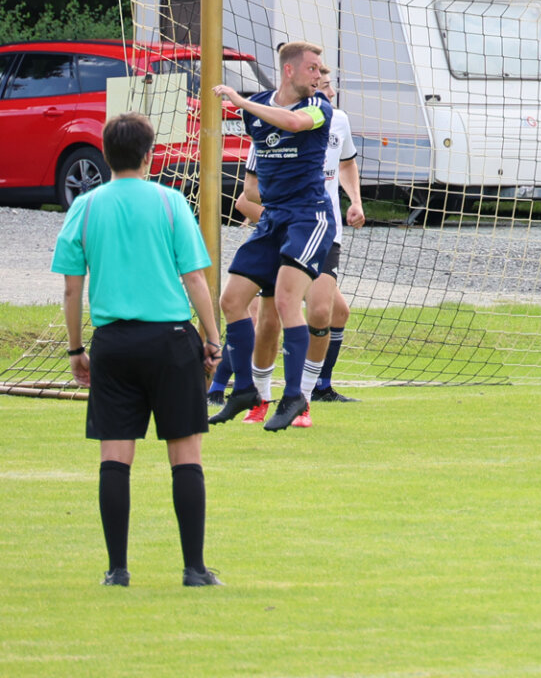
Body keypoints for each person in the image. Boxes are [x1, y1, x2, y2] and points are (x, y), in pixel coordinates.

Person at [50, 112, 223, 587]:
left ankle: (117, 570)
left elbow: (72, 289)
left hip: (114, 344)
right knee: (185, 455)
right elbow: (194, 279)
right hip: (170, 341)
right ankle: (194, 569)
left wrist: (75, 349)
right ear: (150, 155)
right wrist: (212, 338)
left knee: (115, 457)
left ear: (105, 156)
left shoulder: (84, 208)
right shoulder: (170, 203)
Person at [210, 65, 365, 425]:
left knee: (320, 311)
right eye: (318, 79)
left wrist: (355, 200)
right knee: (259, 315)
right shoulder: (266, 120)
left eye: (327, 84)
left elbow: (346, 163)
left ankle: (304, 396)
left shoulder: (328, 116)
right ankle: (254, 394)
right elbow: (248, 193)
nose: (324, 87)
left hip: (316, 224)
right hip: (278, 224)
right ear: (290, 73)